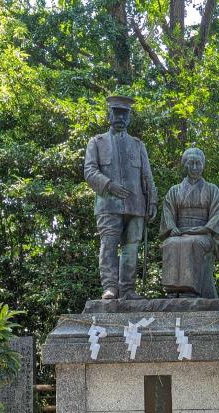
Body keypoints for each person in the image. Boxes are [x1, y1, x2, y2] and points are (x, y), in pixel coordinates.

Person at [84, 95, 157, 300]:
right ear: (109, 114)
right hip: (108, 204)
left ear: (130, 118)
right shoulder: (96, 142)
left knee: (131, 247)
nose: (121, 117)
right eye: (116, 113)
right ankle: (110, 287)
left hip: (136, 205)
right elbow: (89, 171)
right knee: (108, 244)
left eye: (125, 114)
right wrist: (109, 185)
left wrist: (152, 200)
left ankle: (127, 290)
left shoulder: (138, 144)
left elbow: (147, 176)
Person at [159, 147, 219, 298]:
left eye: (199, 163)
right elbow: (168, 213)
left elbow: (217, 216)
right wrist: (172, 227)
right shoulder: (174, 190)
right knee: (170, 243)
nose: (195, 168)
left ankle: (191, 290)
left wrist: (203, 229)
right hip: (180, 232)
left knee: (193, 242)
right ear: (185, 165)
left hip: (203, 233)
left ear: (203, 165)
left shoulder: (212, 190)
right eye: (191, 163)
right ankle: (173, 290)